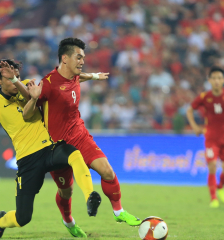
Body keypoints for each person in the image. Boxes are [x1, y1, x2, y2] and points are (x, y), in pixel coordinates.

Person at [0, 59, 101, 238]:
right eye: (10, 78)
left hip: (49, 148)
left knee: (73, 154)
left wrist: (93, 76)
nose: (15, 80)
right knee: (23, 218)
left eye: (17, 76)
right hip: (27, 159)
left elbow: (40, 93)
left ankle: (90, 196)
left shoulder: (26, 86)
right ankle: (2, 220)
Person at [33, 38, 142, 226]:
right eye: (79, 57)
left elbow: (77, 77)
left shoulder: (74, 74)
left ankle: (119, 211)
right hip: (59, 146)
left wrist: (93, 76)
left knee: (107, 171)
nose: (82, 61)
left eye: (83, 57)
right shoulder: (48, 84)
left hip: (80, 135)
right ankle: (68, 220)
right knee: (66, 192)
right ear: (65, 58)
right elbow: (32, 107)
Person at [186, 67, 224, 208]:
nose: (216, 81)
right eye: (214, 78)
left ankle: (220, 186)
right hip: (211, 137)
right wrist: (194, 126)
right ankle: (213, 199)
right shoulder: (205, 96)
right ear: (209, 80)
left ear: (223, 80)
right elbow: (189, 110)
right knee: (211, 166)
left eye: (219, 78)